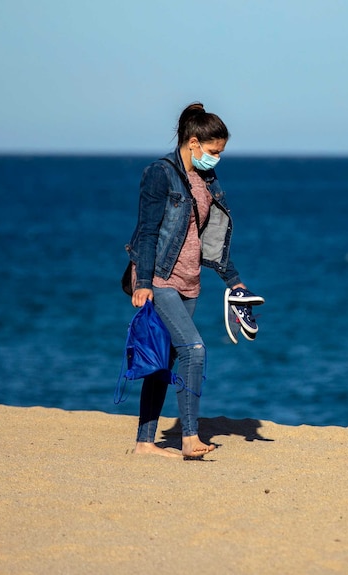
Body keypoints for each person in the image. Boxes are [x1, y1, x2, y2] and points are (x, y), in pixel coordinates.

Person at [124, 102, 261, 458]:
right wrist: (143, 283)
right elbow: (148, 232)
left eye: (221, 153)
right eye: (214, 151)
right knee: (194, 350)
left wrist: (234, 281)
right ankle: (189, 437)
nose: (217, 158)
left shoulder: (207, 179)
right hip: (160, 279)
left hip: (190, 280)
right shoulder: (160, 173)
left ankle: (144, 444)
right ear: (195, 142)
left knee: (164, 359)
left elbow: (208, 239)